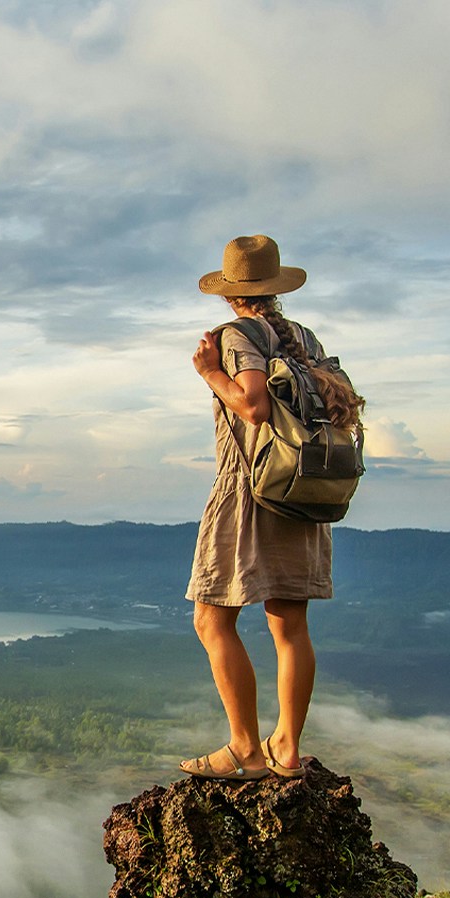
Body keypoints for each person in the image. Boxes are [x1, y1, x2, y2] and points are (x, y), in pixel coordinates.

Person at [179, 234, 365, 781]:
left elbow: (255, 407)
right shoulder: (303, 338)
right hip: (302, 488)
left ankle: (245, 748)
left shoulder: (236, 336)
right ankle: (286, 746)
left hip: (253, 488)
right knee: (290, 625)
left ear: (230, 292)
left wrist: (211, 373)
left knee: (211, 619)